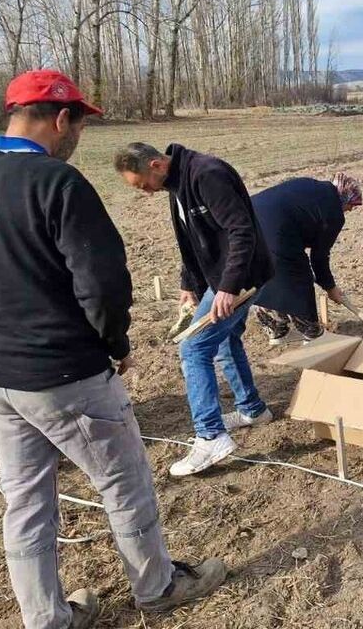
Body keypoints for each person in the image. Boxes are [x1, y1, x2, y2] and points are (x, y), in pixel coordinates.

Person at [0, 70, 226, 629]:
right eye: (79, 125)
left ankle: (46, 618)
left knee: (26, 500)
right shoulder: (58, 182)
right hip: (64, 372)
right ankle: (157, 586)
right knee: (124, 481)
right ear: (61, 119)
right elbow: (102, 282)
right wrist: (113, 344)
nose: (78, 136)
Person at [114, 141, 275, 477]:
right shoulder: (177, 183)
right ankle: (253, 409)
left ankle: (211, 436)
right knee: (225, 341)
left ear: (156, 165)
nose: (146, 193)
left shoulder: (207, 174)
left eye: (143, 185)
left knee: (193, 348)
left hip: (242, 278)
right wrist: (188, 284)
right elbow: (190, 241)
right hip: (223, 279)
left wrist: (228, 288)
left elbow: (241, 230)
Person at [251, 173, 363, 345]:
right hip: (276, 231)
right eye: (351, 205)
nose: (350, 210)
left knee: (265, 272)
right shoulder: (333, 212)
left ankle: (277, 329)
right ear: (345, 197)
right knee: (299, 276)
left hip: (247, 221)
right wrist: (330, 288)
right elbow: (319, 257)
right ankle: (311, 333)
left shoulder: (311, 186)